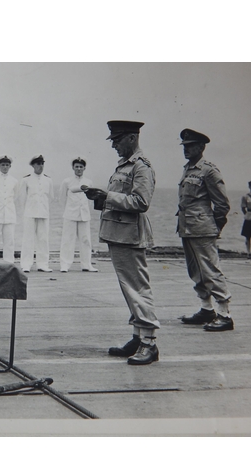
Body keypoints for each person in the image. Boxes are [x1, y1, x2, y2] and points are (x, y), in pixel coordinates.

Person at [85, 121, 160, 365]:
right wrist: (101, 197)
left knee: (137, 289)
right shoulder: (124, 165)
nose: (114, 145)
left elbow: (141, 202)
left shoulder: (142, 167)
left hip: (129, 236)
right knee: (129, 288)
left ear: (131, 138)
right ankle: (138, 337)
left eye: (117, 140)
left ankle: (149, 343)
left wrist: (108, 196)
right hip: (118, 234)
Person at [177, 128, 233, 331]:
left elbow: (222, 205)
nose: (186, 149)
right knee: (195, 271)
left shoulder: (209, 170)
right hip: (187, 228)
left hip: (203, 229)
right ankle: (206, 309)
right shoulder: (188, 168)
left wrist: (213, 227)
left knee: (210, 271)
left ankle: (225, 314)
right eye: (184, 146)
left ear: (201, 147)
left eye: (191, 146)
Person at [59, 157, 98, 273]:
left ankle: (87, 265)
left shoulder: (89, 182)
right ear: (73, 168)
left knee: (86, 240)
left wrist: (87, 211)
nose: (79, 169)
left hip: (84, 214)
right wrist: (66, 211)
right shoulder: (67, 181)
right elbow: (62, 199)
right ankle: (65, 265)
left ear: (84, 168)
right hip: (70, 214)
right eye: (76, 166)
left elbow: (91, 199)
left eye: (81, 167)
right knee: (68, 240)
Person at [19, 155, 54, 273]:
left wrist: (45, 209)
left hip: (43, 212)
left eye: (42, 163)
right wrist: (25, 211)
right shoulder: (26, 180)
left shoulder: (48, 180)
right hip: (30, 212)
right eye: (38, 164)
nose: (40, 166)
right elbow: (22, 198)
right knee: (28, 239)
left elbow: (51, 197)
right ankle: (26, 264)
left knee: (43, 239)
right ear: (33, 165)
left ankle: (42, 264)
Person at [241, 181, 251, 259]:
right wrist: (246, 214)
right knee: (248, 236)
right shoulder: (245, 197)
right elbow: (243, 207)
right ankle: (249, 252)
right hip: (249, 217)